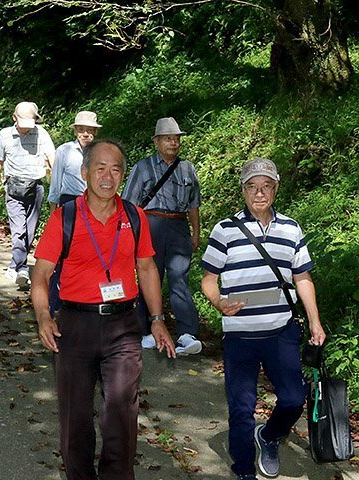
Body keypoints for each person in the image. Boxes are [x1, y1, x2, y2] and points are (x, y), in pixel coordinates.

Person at [31, 139, 176, 480]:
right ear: (84, 173)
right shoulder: (65, 217)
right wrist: (43, 317)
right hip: (74, 325)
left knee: (121, 410)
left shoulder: (133, 216)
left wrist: (157, 320)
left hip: (123, 324)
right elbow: (40, 275)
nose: (108, 177)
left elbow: (148, 268)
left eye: (115, 170)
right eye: (100, 168)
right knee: (76, 418)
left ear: (123, 176)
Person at [200, 157, 326, 480]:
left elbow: (303, 279)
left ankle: (269, 436)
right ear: (243, 190)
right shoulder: (224, 230)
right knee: (241, 408)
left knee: (294, 397)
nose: (259, 193)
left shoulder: (291, 228)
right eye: (252, 187)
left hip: (280, 331)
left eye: (266, 186)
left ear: (275, 189)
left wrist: (314, 320)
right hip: (240, 335)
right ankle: (243, 470)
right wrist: (219, 302)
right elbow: (208, 280)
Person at [122, 117, 202, 355]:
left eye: (176, 138)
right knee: (150, 277)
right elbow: (129, 204)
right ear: (156, 141)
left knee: (180, 278)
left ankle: (187, 333)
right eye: (168, 138)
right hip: (150, 225)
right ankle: (146, 330)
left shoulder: (187, 168)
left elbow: (194, 204)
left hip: (179, 227)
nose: (173, 143)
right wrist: (130, 236)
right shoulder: (143, 167)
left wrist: (196, 232)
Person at [0, 101, 55, 286]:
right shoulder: (4, 135)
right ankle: (22, 268)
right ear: (14, 118)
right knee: (19, 229)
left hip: (36, 187)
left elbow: (52, 155)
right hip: (13, 187)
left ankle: (14, 264)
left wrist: (56, 178)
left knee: (30, 230)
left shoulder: (41, 133)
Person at [47, 110, 101, 211]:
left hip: (95, 202)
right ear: (75, 131)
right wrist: (53, 210)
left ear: (95, 131)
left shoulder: (102, 152)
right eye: (81, 129)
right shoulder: (64, 150)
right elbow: (56, 181)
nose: (85, 134)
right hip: (69, 202)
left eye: (90, 130)